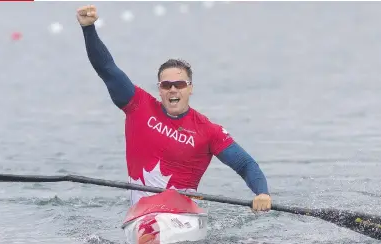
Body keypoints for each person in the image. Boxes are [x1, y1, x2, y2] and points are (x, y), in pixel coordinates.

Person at [76, 4, 272, 243]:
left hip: (183, 216)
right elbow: (107, 69)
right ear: (159, 89)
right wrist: (89, 29)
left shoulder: (208, 130)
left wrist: (262, 193)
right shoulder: (138, 105)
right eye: (165, 85)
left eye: (179, 84)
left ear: (190, 88)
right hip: (141, 217)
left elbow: (245, 164)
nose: (172, 90)